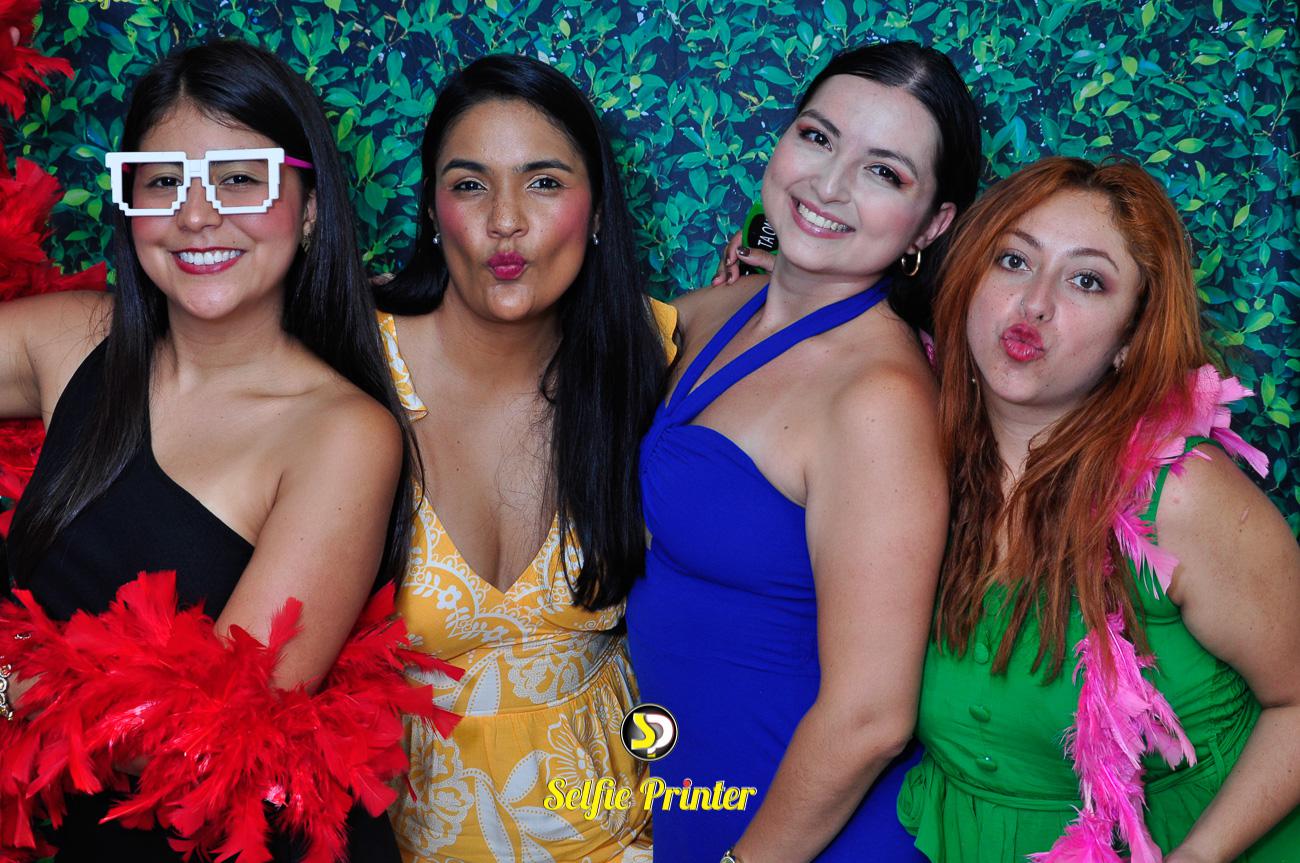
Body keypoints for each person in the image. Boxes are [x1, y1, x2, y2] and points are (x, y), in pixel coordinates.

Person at [0, 40, 424, 861]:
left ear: (308, 208)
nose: (197, 214)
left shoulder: (343, 434)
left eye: (239, 178)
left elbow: (196, 735)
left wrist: (8, 682)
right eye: (163, 181)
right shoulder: (69, 343)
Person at [625, 41, 982, 862]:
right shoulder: (716, 312)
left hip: (802, 836)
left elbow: (871, 716)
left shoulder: (878, 402)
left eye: (884, 172)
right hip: (695, 797)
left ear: (932, 223)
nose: (829, 184)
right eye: (818, 137)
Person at [900, 155, 1300, 861]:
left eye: (1087, 280)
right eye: (1014, 260)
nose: (1035, 303)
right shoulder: (906, 462)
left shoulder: (1182, 496)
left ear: (1127, 340)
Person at [374, 55, 672, 863]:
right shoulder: (349, 360)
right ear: (432, 210)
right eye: (470, 185)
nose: (505, 220)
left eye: (543, 182)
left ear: (597, 208)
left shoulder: (648, 353)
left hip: (621, 836)